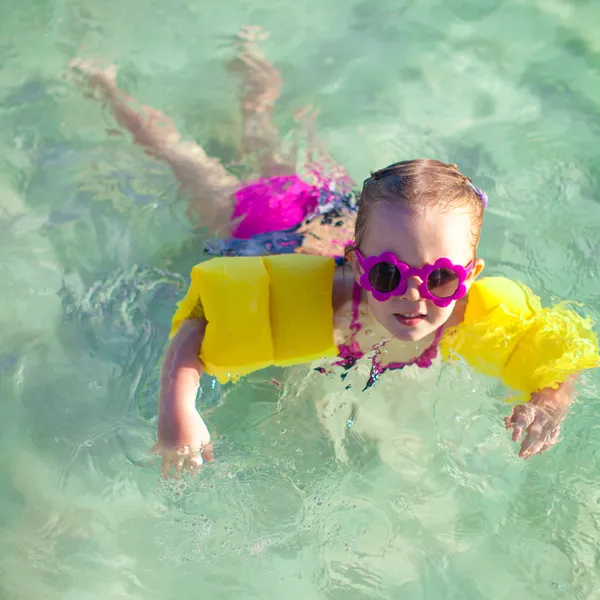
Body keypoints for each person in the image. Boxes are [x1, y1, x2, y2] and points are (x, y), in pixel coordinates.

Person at [71, 33, 599, 478]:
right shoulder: (330, 301)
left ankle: (252, 77)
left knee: (267, 142)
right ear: (356, 263)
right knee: (185, 160)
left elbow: (554, 360)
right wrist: (177, 410)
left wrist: (547, 405)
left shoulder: (470, 311)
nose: (415, 296)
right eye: (389, 275)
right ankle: (106, 83)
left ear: (472, 274)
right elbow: (199, 327)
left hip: (346, 214)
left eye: (439, 277)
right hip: (270, 227)